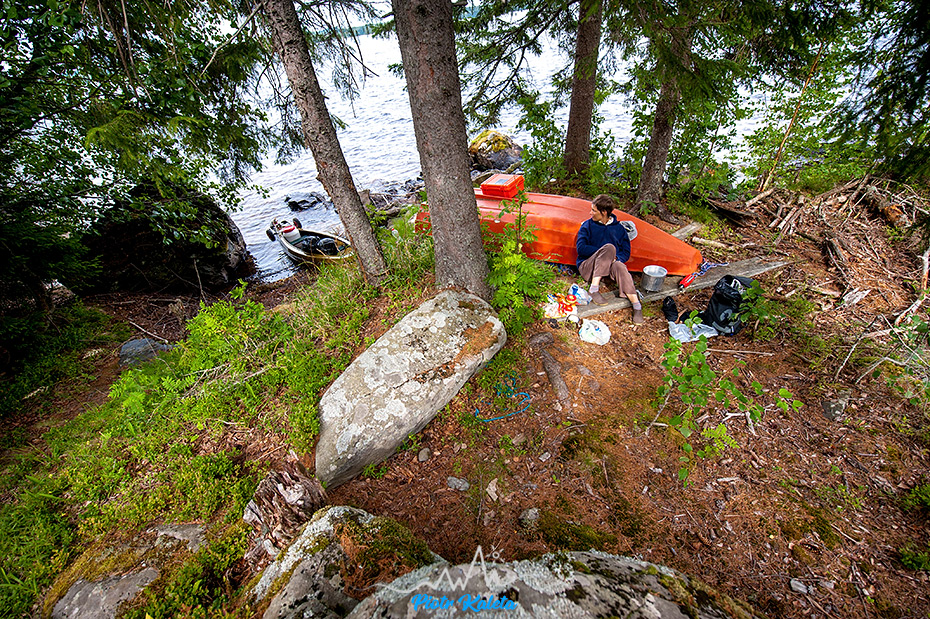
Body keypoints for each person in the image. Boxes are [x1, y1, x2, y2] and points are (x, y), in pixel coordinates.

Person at [576, 194, 643, 323]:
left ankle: (636, 305)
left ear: (604, 212)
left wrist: (615, 258)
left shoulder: (619, 229)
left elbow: (626, 252)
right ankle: (594, 289)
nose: (590, 213)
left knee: (619, 265)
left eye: (594, 210)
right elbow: (581, 249)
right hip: (587, 268)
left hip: (607, 268)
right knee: (609, 248)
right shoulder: (587, 226)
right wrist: (603, 252)